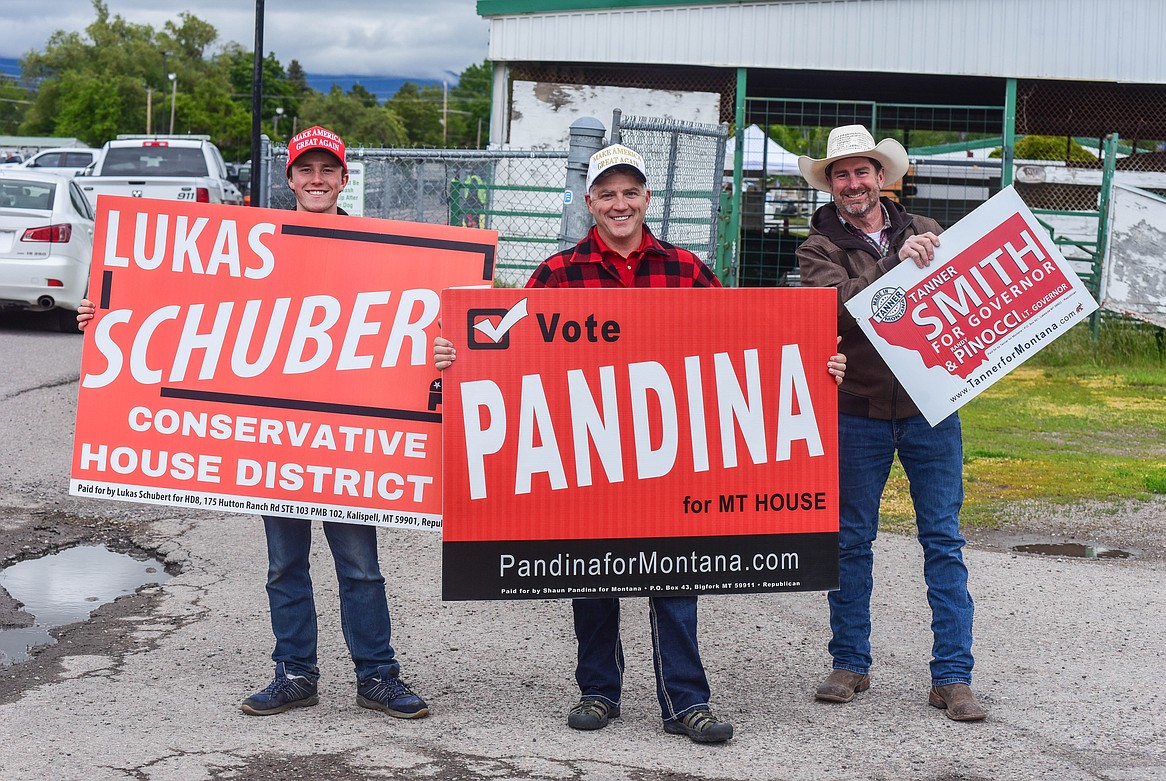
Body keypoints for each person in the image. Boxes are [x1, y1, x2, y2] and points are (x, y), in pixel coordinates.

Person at [434, 144, 847, 743]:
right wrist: (458, 357)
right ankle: (598, 690)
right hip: (587, 448)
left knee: (677, 578)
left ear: (647, 199)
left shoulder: (686, 268)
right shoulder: (556, 273)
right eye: (607, 193)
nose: (620, 204)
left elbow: (744, 346)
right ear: (589, 203)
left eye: (631, 192)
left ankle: (685, 701)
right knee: (585, 572)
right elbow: (511, 354)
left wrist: (816, 366)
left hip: (669, 454)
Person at [78, 125, 429, 719]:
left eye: (327, 171)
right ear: (288, 178)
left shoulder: (379, 248)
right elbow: (182, 301)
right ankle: (295, 673)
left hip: (348, 438)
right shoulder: (253, 245)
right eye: (305, 171)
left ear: (345, 179)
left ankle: (377, 675)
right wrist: (108, 314)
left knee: (361, 566)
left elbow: (423, 322)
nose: (316, 180)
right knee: (284, 563)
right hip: (275, 441)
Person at [795, 124, 987, 721]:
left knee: (943, 541)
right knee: (850, 541)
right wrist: (897, 271)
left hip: (933, 408)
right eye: (841, 174)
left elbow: (969, 298)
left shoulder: (928, 232)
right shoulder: (816, 248)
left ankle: (952, 675)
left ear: (883, 177)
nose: (854, 183)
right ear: (831, 184)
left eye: (863, 171)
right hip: (856, 410)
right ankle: (850, 663)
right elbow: (838, 312)